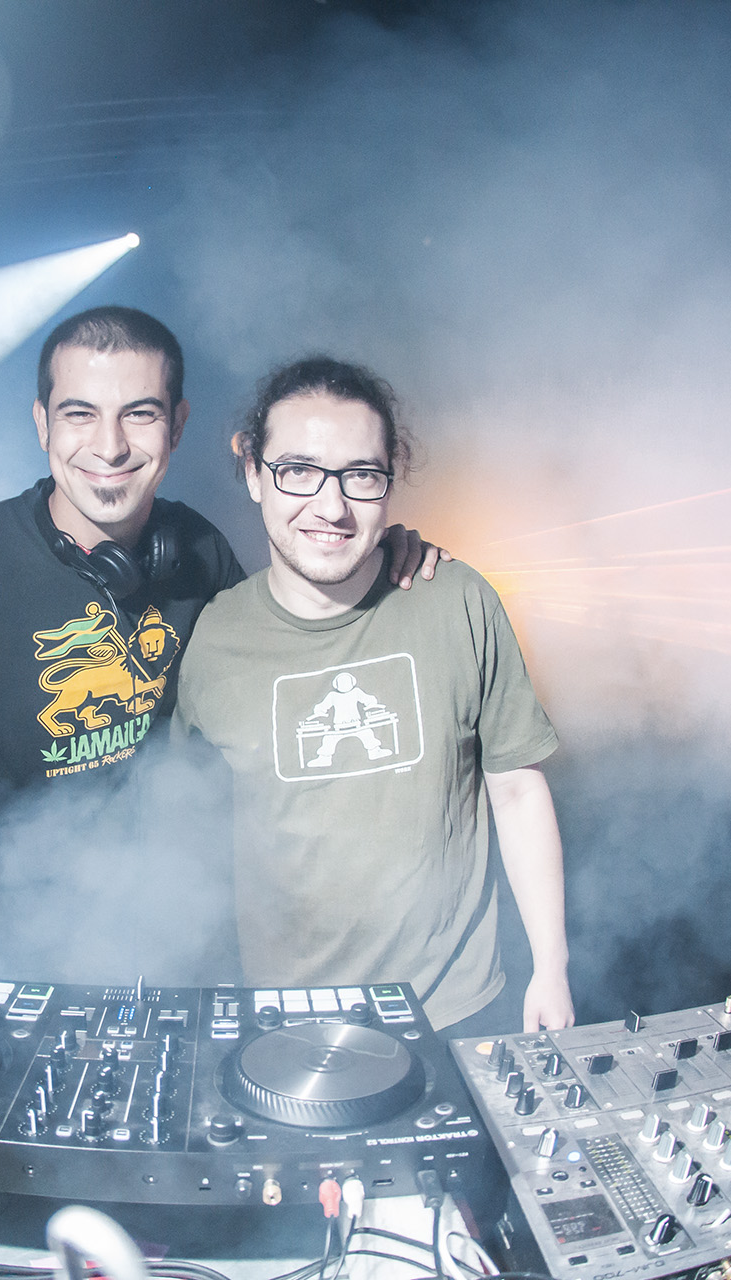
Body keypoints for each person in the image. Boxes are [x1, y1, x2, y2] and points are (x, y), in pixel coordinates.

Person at [0, 308, 442, 977]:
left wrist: (375, 557)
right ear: (43, 424)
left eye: (140, 414)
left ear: (177, 425)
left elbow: (281, 668)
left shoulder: (198, 550)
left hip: (154, 931)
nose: (110, 445)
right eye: (80, 413)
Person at [173, 356, 575, 1035]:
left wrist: (551, 969)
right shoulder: (214, 639)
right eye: (298, 470)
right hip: (286, 1022)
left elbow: (516, 789)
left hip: (454, 1012)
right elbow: (186, 835)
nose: (331, 507)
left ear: (391, 479)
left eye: (361, 475)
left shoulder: (458, 600)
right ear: (253, 474)